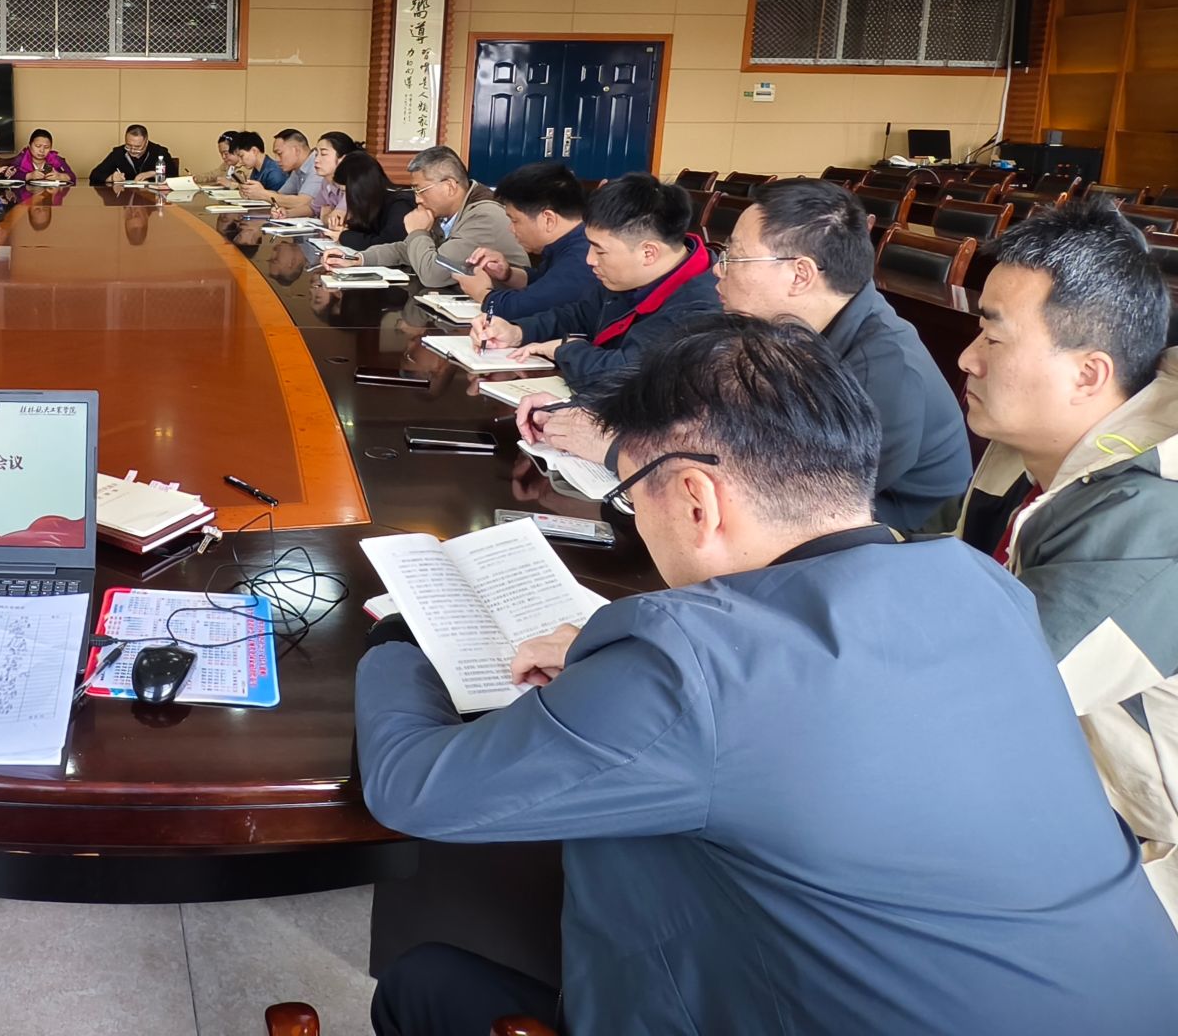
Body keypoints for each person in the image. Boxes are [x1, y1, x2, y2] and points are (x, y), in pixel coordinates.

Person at [359, 315, 1178, 1036]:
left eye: (634, 495)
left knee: (425, 983)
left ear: (697, 499)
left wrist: (402, 633)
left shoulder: (693, 662)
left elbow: (415, 788)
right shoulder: (982, 588)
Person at [935, 199, 1178, 922]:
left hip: (1144, 864)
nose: (967, 356)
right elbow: (926, 561)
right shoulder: (1033, 448)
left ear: (1088, 374)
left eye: (993, 335)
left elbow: (978, 696)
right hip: (1055, 790)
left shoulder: (1151, 517)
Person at [521, 178, 973, 534]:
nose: (718, 270)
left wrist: (620, 450)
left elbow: (793, 496)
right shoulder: (781, 324)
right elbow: (699, 399)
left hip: (892, 540)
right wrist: (590, 412)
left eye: (734, 258)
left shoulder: (883, 369)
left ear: (799, 275)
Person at [473, 172, 719, 390]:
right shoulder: (628, 277)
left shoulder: (701, 309)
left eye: (600, 251)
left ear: (648, 253)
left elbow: (627, 375)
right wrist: (517, 332)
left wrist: (565, 349)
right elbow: (580, 315)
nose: (589, 260)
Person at [321, 145, 526, 289]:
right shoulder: (444, 212)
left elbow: (433, 275)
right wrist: (358, 259)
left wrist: (418, 232)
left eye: (420, 190)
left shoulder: (483, 216)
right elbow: (404, 249)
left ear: (449, 186)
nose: (417, 199)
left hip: (507, 313)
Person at [459, 162, 601, 326]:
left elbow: (524, 307)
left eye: (515, 220)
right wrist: (507, 274)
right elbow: (545, 284)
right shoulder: (570, 242)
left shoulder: (583, 256)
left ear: (548, 220)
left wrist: (482, 293)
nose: (511, 229)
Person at [325, 151, 416, 250]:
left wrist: (345, 237)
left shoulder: (400, 205)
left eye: (345, 191)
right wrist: (346, 231)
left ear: (357, 190)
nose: (346, 198)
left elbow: (386, 246)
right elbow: (369, 233)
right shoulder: (376, 203)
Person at [274, 130, 359, 219]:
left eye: (323, 154)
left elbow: (336, 220)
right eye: (316, 154)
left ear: (343, 159)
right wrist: (287, 213)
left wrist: (325, 216)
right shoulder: (326, 182)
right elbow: (313, 209)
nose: (316, 160)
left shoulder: (354, 184)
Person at [89, 124, 175, 186]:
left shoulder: (159, 152)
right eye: (129, 145)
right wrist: (111, 178)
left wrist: (153, 173)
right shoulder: (119, 153)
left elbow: (174, 177)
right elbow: (94, 175)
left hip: (154, 199)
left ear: (146, 142)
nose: (132, 150)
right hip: (125, 198)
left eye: (137, 147)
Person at [10, 128, 75, 183]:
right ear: (29, 146)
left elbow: (73, 177)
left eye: (46, 147)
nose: (42, 150)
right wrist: (28, 176)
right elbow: (9, 176)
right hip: (27, 193)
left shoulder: (56, 159)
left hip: (51, 192)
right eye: (38, 146)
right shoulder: (21, 158)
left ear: (51, 148)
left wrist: (60, 176)